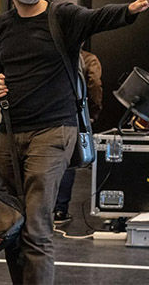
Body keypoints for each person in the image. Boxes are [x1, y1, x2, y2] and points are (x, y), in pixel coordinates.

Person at [0, 0, 149, 284]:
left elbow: (98, 17)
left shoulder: (62, 16)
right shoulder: (0, 25)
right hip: (9, 133)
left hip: (54, 131)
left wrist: (133, 8)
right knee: (11, 223)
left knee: (36, 225)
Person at [53, 48, 103, 225]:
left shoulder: (53, 53)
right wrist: (93, 112)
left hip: (47, 114)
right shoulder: (89, 59)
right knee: (68, 163)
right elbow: (95, 84)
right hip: (72, 114)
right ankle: (60, 210)